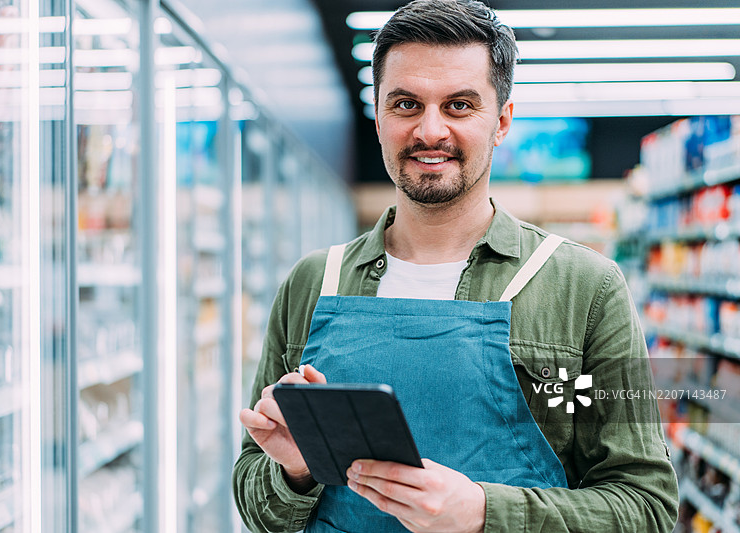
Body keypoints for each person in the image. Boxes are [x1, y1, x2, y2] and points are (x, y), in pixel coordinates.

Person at [233, 1, 679, 531]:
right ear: (379, 116)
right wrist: (297, 470)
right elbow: (254, 494)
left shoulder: (584, 288)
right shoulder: (313, 282)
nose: (430, 130)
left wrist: (485, 513)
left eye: (459, 105)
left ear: (501, 121)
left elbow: (646, 506)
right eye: (405, 104)